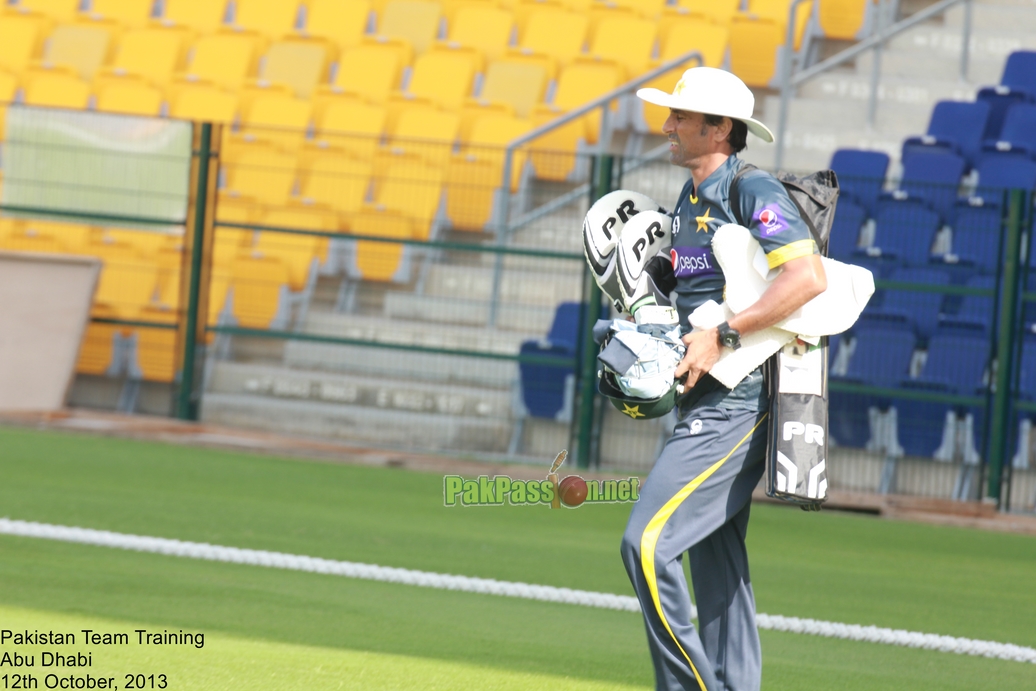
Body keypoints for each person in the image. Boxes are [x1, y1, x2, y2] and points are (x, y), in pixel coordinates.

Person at [619, 67, 827, 691]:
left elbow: (806, 277)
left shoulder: (751, 187)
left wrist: (723, 335)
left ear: (721, 129)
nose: (668, 126)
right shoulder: (688, 197)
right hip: (703, 396)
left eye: (681, 117)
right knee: (717, 565)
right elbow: (698, 294)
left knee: (648, 544)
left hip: (741, 397)